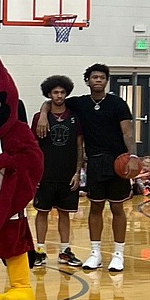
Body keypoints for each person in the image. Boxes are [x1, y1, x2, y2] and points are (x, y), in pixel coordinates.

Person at [36, 63, 135, 275]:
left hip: (117, 161)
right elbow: (50, 101)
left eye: (102, 77)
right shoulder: (79, 103)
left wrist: (133, 156)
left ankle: (118, 254)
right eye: (94, 77)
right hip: (94, 163)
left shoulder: (118, 103)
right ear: (87, 81)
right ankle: (95, 252)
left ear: (106, 81)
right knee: (95, 208)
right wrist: (43, 114)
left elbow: (128, 132)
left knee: (117, 208)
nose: (98, 80)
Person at [30, 75, 84, 268]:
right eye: (55, 92)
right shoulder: (39, 117)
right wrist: (34, 173)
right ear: (49, 94)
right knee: (42, 212)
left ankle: (65, 251)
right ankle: (40, 250)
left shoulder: (74, 116)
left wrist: (78, 172)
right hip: (45, 174)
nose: (59, 95)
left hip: (67, 174)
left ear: (66, 93)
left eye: (62, 92)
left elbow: (79, 147)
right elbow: (33, 148)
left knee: (64, 214)